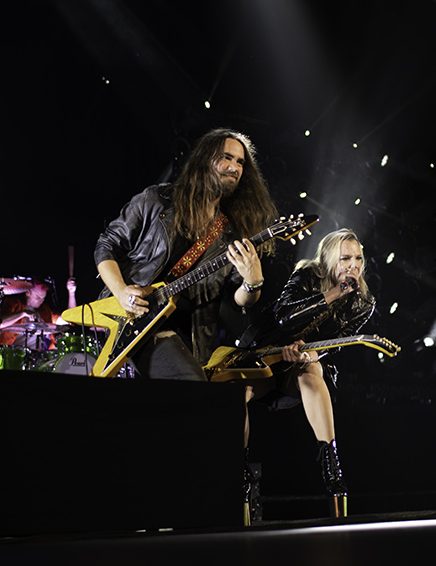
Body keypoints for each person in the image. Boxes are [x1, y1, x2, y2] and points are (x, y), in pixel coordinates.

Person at [92, 128, 279, 381]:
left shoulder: (230, 235)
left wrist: (253, 281)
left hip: (190, 336)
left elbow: (240, 300)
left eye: (240, 162)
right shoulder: (157, 200)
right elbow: (107, 245)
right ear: (204, 160)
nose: (234, 167)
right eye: (226, 157)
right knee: (191, 386)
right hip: (135, 317)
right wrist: (121, 291)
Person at [241, 228, 376, 518]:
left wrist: (311, 353)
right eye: (345, 258)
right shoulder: (307, 275)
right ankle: (241, 471)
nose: (354, 265)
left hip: (303, 362)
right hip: (267, 353)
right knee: (239, 392)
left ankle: (332, 468)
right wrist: (335, 291)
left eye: (358, 258)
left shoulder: (364, 302)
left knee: (311, 370)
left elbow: (340, 340)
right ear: (328, 260)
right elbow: (284, 316)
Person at [0, 277, 77, 351]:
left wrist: (71, 292)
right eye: (38, 297)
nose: (41, 301)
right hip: (14, 355)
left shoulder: (44, 309)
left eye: (43, 298)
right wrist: (23, 313)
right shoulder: (14, 304)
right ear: (27, 292)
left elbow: (70, 318)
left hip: (38, 357)